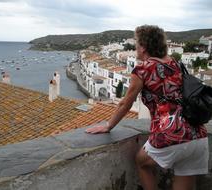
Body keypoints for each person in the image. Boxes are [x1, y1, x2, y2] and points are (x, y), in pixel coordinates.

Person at [86, 25, 209, 190]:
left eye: (137, 43)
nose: (135, 46)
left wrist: (109, 126)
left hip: (172, 135)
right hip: (197, 136)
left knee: (142, 162)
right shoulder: (175, 64)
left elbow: (126, 102)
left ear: (143, 47)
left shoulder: (142, 70)